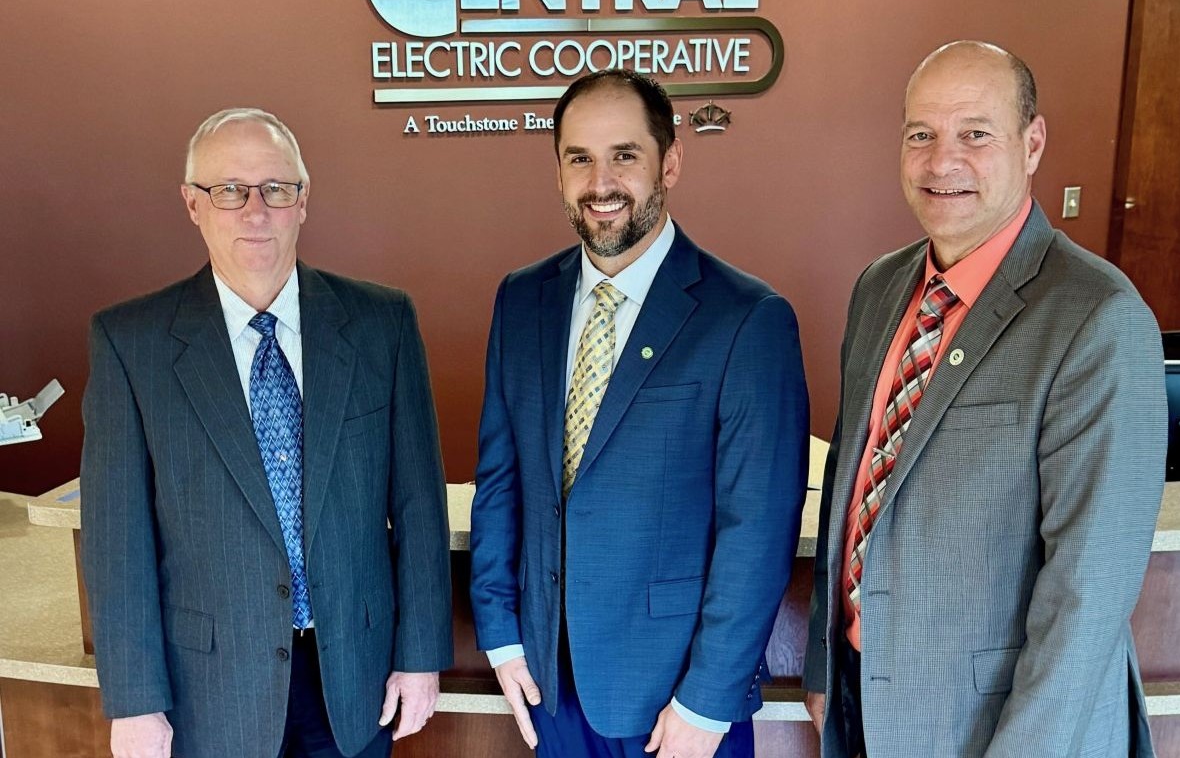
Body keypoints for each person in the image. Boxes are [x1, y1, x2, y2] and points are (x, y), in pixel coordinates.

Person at [803, 41, 1167, 758]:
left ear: (1032, 143)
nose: (943, 161)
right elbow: (852, 478)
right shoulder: (880, 286)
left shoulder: (1096, 316)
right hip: (867, 702)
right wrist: (825, 665)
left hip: (1001, 730)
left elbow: (1085, 600)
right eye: (921, 134)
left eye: (975, 132)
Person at [80, 108, 453, 758]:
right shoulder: (130, 342)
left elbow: (420, 504)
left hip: (356, 678)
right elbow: (119, 543)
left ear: (303, 200)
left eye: (276, 188)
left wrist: (420, 656)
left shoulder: (380, 323)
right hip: (209, 691)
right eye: (229, 190)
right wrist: (136, 699)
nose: (255, 210)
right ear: (192, 204)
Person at [469, 69, 809, 758]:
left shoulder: (747, 318)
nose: (602, 182)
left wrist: (708, 702)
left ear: (670, 162)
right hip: (551, 688)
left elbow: (759, 529)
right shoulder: (522, 299)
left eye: (624, 155)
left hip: (677, 705)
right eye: (579, 158)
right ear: (557, 170)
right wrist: (501, 632)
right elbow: (501, 477)